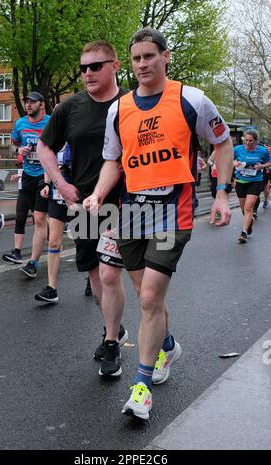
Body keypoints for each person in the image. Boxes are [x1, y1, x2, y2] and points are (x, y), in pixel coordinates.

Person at [84, 27, 233, 419]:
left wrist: (220, 192)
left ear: (166, 57)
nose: (142, 64)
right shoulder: (120, 108)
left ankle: (142, 388)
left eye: (149, 56)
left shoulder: (191, 100)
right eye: (136, 59)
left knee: (149, 297)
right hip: (132, 213)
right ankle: (167, 344)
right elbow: (113, 160)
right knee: (145, 294)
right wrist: (99, 194)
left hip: (174, 211)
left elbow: (222, 141)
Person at [37, 41, 129, 376]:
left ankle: (114, 341)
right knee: (96, 272)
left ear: (115, 66)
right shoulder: (70, 107)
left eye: (95, 66)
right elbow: (44, 147)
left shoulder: (131, 103)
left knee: (112, 273)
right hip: (86, 204)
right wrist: (61, 184)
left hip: (127, 202)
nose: (87, 73)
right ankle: (113, 333)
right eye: (83, 68)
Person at [2, 92, 50, 277]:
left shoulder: (50, 122)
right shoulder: (20, 123)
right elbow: (12, 146)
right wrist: (18, 150)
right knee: (21, 213)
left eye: (32, 102)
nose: (28, 105)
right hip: (27, 175)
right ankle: (17, 251)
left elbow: (62, 146)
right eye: (26, 102)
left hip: (45, 176)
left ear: (42, 104)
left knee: (39, 219)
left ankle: (33, 263)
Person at [35, 143, 72, 303]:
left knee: (86, 242)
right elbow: (48, 164)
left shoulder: (77, 138)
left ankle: (91, 280)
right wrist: (46, 184)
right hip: (56, 197)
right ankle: (51, 288)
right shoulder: (52, 142)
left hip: (77, 195)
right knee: (54, 242)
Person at [234, 131, 271, 243]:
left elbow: (269, 162)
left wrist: (262, 166)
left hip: (255, 181)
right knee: (243, 208)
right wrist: (234, 163)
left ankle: (244, 232)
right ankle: (249, 224)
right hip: (240, 180)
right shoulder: (238, 149)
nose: (248, 142)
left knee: (249, 207)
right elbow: (228, 160)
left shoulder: (262, 150)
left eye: (251, 140)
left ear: (255, 140)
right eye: (246, 140)